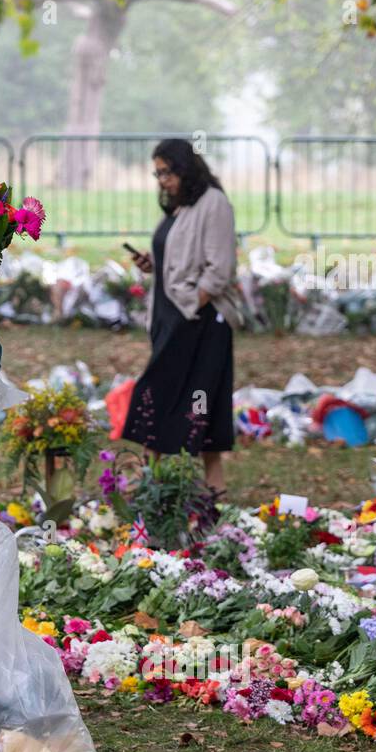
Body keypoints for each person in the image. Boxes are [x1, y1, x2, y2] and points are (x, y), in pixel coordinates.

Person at [122, 138, 244, 494]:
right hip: (169, 316)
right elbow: (180, 262)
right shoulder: (180, 207)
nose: (162, 180)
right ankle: (151, 492)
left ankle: (209, 500)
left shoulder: (214, 203)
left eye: (167, 171)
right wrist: (154, 266)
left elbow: (219, 269)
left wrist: (191, 304)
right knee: (157, 399)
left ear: (186, 168)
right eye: (157, 173)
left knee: (200, 409)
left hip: (200, 323)